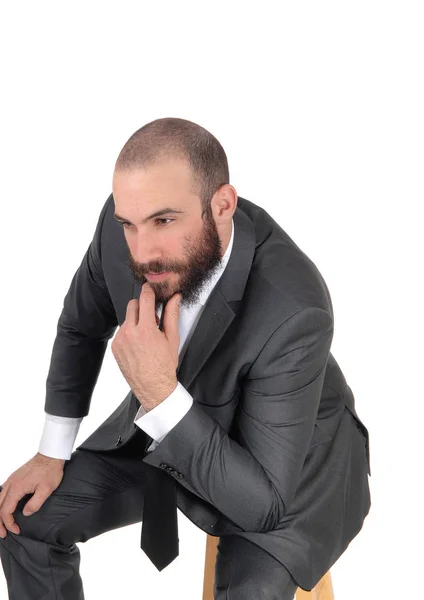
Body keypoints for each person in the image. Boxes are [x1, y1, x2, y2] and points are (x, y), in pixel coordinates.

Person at [0, 117, 371, 600]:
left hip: (285, 471)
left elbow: (260, 507)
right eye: (129, 223)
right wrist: (52, 450)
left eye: (164, 220)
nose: (142, 250)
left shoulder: (295, 307)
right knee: (23, 521)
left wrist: (159, 394)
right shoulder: (123, 235)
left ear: (222, 205)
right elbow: (80, 325)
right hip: (170, 424)